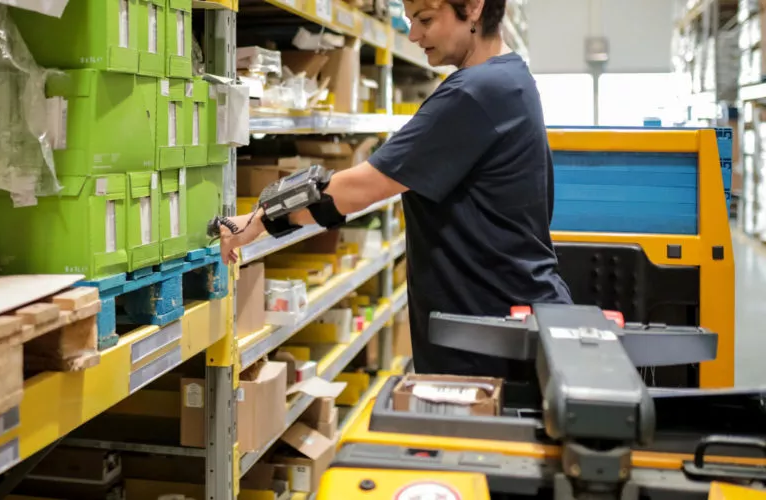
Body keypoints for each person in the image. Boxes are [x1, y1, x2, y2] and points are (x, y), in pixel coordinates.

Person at [218, 0, 572, 379]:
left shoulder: (475, 92)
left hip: (489, 337)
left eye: (425, 20)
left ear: (472, 8)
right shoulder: (510, 78)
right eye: (410, 21)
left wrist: (259, 220)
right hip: (503, 322)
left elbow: (359, 188)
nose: (415, 35)